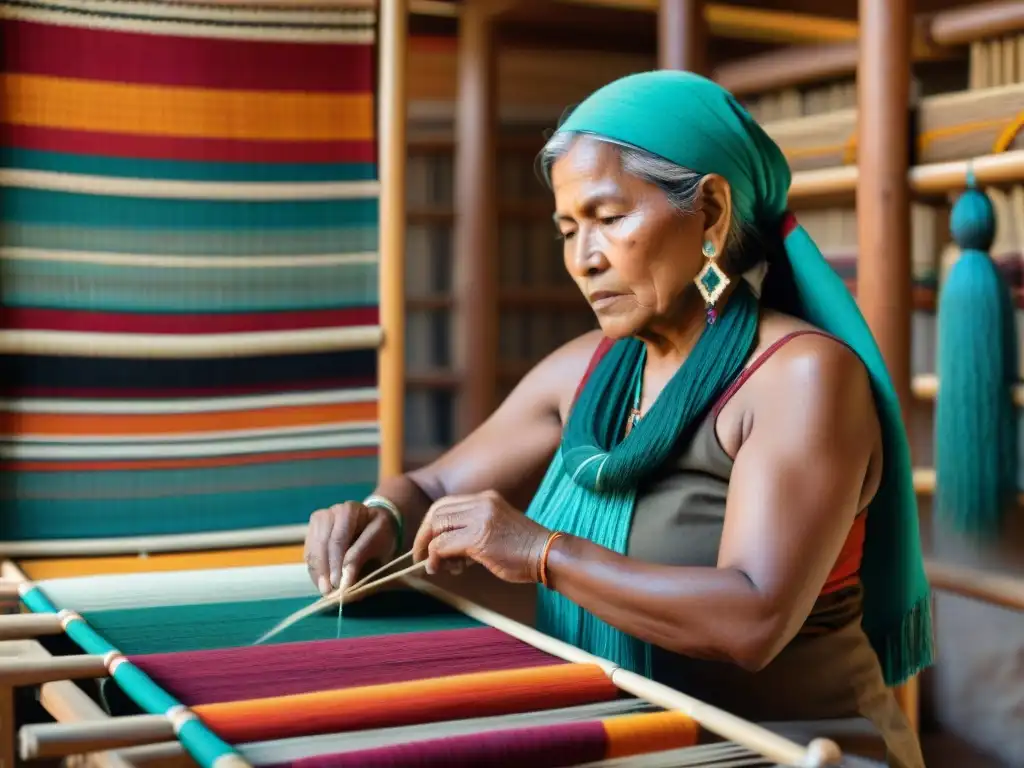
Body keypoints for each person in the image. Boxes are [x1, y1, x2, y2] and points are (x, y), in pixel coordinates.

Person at [304, 71, 931, 768]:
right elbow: (431, 487)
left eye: (609, 218)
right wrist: (376, 516)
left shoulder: (799, 379)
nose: (583, 259)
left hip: (796, 750)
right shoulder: (587, 371)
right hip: (641, 745)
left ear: (713, 213)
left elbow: (752, 618)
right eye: (568, 229)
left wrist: (543, 552)